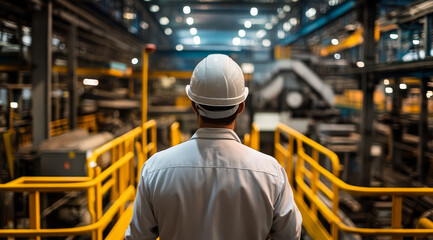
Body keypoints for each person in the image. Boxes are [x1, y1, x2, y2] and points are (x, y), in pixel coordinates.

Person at [125, 54, 302, 240]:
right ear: (241, 107)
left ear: (193, 105)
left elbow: (137, 236)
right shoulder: (271, 172)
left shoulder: (155, 169)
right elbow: (290, 234)